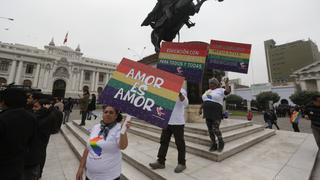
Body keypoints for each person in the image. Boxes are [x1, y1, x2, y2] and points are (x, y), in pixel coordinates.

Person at [76, 105, 130, 180]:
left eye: (111, 112)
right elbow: (88, 148)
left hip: (109, 177)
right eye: (106, 112)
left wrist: (123, 131)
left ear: (116, 116)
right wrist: (81, 167)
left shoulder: (118, 128)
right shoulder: (96, 127)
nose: (108, 114)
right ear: (103, 114)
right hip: (90, 176)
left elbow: (123, 146)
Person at [0, 87, 37, 180]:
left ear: (5, 101)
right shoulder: (32, 118)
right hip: (19, 164)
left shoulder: (3, 118)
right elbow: (32, 142)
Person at [149, 89, 189, 173]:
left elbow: (185, 103)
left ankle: (182, 163)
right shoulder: (167, 88)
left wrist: (179, 94)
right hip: (166, 121)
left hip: (178, 122)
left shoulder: (182, 90)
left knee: (180, 143)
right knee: (163, 142)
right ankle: (160, 162)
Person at [199, 77, 230, 152]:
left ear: (216, 84)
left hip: (216, 113)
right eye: (210, 83)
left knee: (215, 129)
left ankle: (221, 142)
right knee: (210, 130)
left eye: (212, 83)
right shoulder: (207, 91)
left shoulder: (220, 90)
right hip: (207, 113)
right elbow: (205, 100)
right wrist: (200, 108)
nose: (210, 84)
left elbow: (227, 91)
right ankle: (214, 144)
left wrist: (226, 83)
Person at [33, 98, 56, 179]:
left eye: (36, 107)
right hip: (42, 143)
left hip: (40, 143)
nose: (33, 109)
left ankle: (38, 174)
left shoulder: (43, 117)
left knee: (40, 156)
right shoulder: (49, 114)